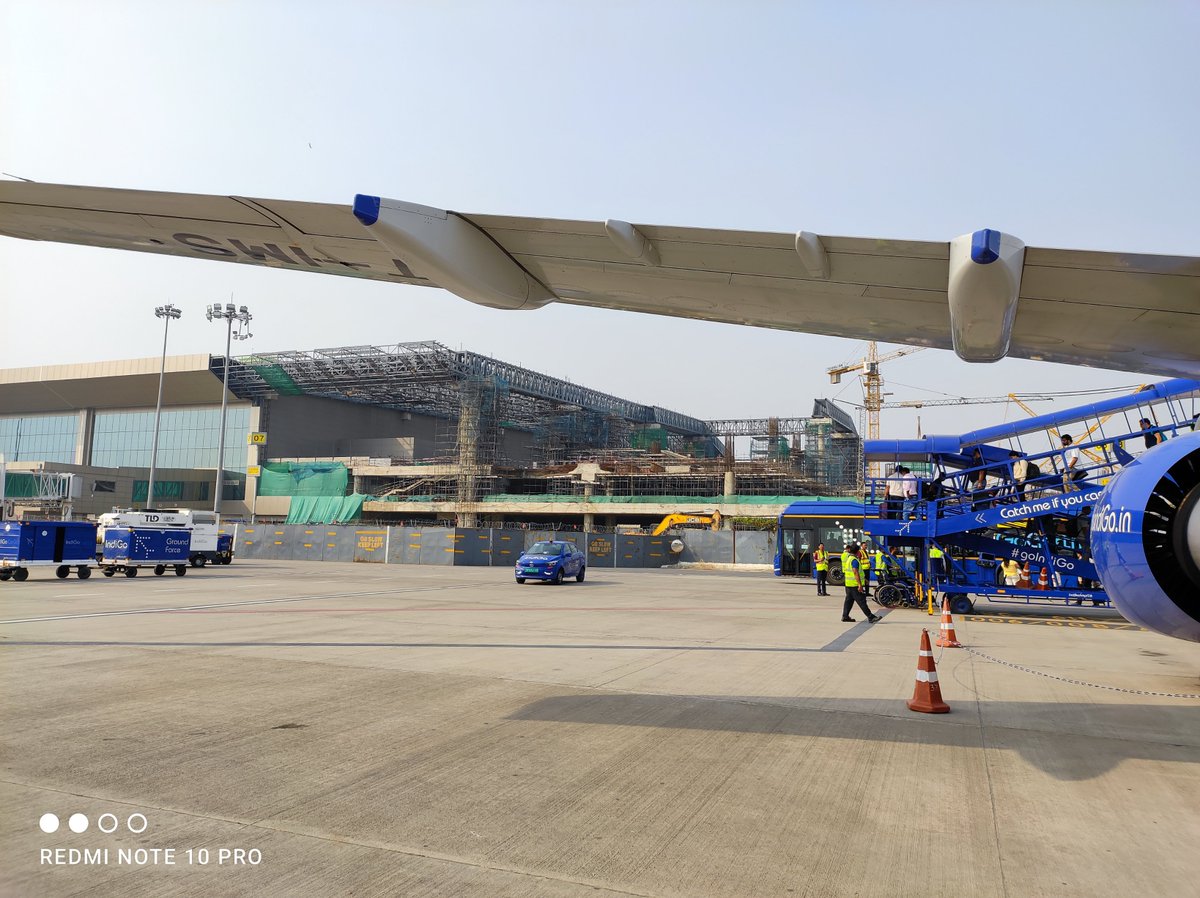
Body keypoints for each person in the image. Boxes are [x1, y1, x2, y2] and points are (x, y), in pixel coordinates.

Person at [839, 543, 880, 623]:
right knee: (861, 601)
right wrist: (860, 585)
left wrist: (864, 579)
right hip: (855, 585)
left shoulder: (849, 559)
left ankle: (845, 616)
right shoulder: (854, 560)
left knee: (849, 601)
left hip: (848, 584)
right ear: (857, 552)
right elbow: (855, 572)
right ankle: (870, 617)